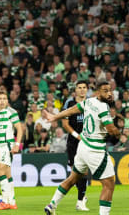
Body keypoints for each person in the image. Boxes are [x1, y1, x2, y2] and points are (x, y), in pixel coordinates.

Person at [44, 81, 121, 215]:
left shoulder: (89, 102)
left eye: (110, 91)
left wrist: (55, 116)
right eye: (105, 91)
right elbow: (111, 129)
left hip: (82, 147)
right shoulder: (103, 107)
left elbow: (72, 110)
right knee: (109, 184)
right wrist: (120, 132)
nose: (109, 94)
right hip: (94, 149)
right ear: (98, 92)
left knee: (72, 178)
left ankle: (52, 204)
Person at [61, 80, 89, 211]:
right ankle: (82, 196)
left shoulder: (90, 104)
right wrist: (77, 136)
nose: (82, 90)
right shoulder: (69, 103)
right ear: (75, 90)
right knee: (75, 173)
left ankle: (80, 201)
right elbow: (65, 124)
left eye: (84, 88)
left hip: (87, 143)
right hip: (73, 142)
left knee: (83, 172)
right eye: (79, 88)